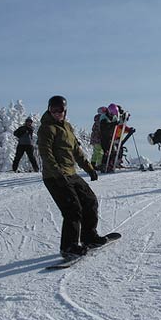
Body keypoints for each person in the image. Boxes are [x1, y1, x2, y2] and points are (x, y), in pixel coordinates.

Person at [38, 95, 109, 259]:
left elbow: (76, 150)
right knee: (72, 209)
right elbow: (46, 154)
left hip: (71, 173)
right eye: (53, 110)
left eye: (60, 110)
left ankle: (88, 237)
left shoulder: (67, 127)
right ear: (49, 110)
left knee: (90, 200)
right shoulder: (47, 128)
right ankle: (68, 247)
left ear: (65, 111)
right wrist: (57, 174)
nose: (57, 113)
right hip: (54, 176)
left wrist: (89, 168)